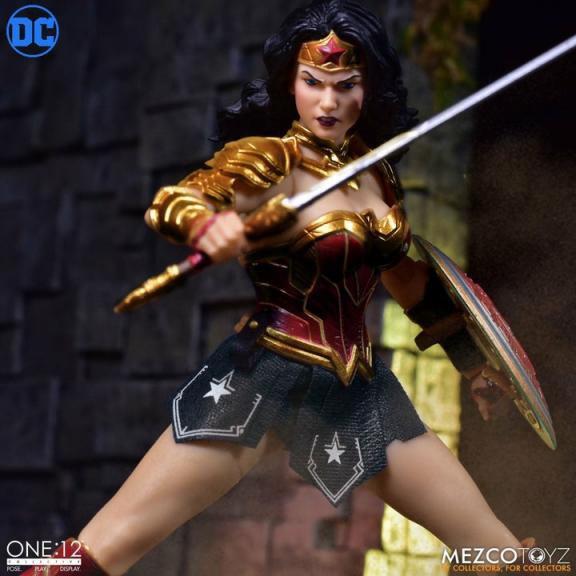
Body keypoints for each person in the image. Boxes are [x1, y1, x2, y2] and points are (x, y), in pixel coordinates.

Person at [27, 1, 532, 575]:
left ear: (368, 88)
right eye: (313, 82)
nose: (328, 102)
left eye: (346, 85)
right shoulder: (268, 160)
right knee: (103, 547)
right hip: (261, 380)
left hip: (355, 391)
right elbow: (175, 202)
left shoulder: (377, 172)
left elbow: (406, 280)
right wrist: (206, 225)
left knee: (499, 551)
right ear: (290, 83)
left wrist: (472, 359)